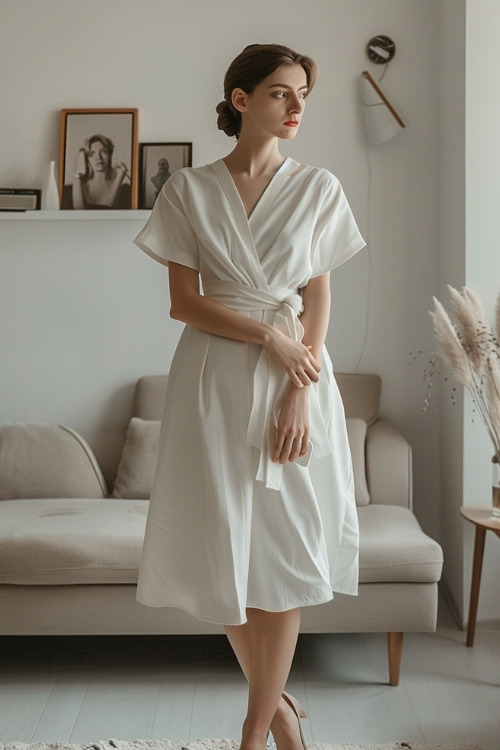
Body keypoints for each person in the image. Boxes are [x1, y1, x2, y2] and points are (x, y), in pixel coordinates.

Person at [134, 43, 365, 750]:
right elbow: (184, 304)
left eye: (302, 95)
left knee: (287, 554)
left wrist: (301, 386)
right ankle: (281, 713)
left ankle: (256, 731)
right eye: (279, 94)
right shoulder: (189, 190)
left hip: (296, 381)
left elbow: (318, 298)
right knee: (219, 544)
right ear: (240, 100)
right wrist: (267, 339)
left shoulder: (320, 187)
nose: (297, 108)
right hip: (213, 379)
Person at [71, 134, 130, 209]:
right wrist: (80, 159)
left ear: (110, 154)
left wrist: (119, 176)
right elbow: (78, 213)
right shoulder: (79, 184)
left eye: (103, 152)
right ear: (86, 158)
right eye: (91, 154)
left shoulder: (125, 188)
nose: (98, 157)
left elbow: (110, 212)